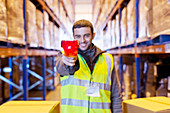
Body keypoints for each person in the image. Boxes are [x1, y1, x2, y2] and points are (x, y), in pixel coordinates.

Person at [56, 19, 122, 113]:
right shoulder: (63, 56)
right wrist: (67, 62)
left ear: (93, 35)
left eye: (86, 35)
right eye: (78, 36)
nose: (82, 41)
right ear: (73, 37)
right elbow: (61, 68)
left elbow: (116, 94)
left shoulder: (107, 59)